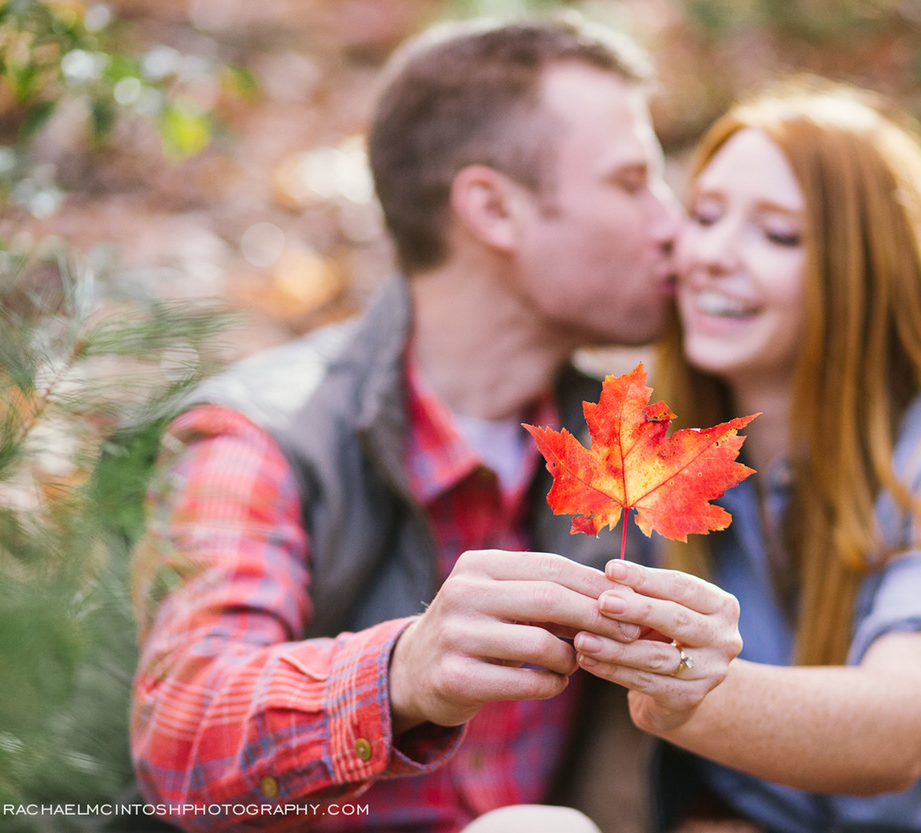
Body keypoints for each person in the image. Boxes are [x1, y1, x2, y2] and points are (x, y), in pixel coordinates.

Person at [129, 15, 700, 831]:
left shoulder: (633, 446)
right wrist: (401, 671)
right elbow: (180, 737)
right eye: (631, 182)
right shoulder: (263, 438)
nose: (673, 225)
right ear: (494, 210)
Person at [564, 80, 921, 831]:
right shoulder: (652, 457)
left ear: (866, 271)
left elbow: (911, 722)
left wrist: (687, 687)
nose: (710, 254)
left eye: (777, 234)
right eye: (704, 216)